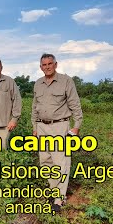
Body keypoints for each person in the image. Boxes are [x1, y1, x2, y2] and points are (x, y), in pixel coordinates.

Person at [31, 53, 83, 213]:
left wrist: (76, 127)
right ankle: (55, 192)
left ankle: (59, 199)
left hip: (60, 126)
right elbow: (34, 106)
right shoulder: (38, 83)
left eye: (49, 64)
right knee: (46, 162)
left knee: (61, 163)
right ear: (40, 67)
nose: (47, 67)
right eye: (44, 65)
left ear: (55, 64)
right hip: (41, 127)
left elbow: (75, 104)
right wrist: (34, 127)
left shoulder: (66, 81)